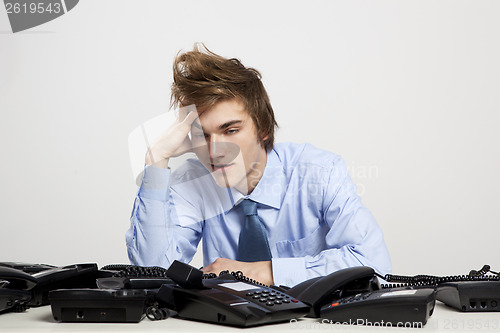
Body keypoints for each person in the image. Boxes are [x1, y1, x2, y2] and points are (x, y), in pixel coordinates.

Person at [126, 44, 391, 287]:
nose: (214, 151)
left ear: (263, 128)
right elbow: (152, 274)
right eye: (202, 135)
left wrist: (260, 271)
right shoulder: (192, 183)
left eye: (230, 130)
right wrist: (156, 161)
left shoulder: (318, 172)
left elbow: (374, 265)